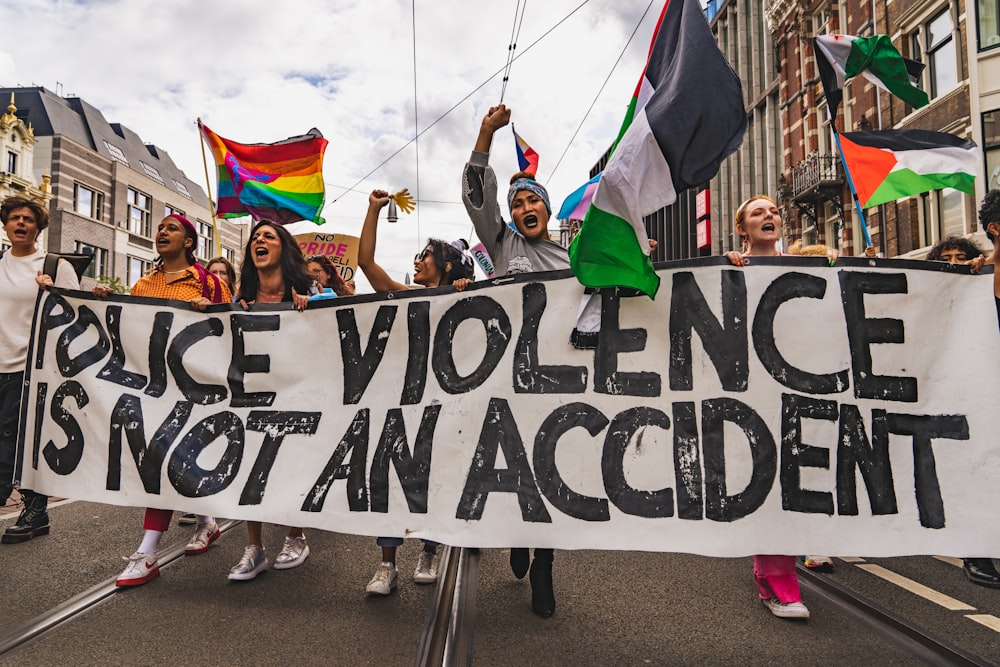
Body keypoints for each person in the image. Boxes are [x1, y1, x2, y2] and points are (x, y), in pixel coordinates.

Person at [461, 104, 569, 618]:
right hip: (505, 379)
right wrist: (486, 133)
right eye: (518, 200)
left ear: (545, 210)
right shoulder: (501, 242)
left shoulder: (573, 259)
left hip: (556, 380)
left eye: (533, 200)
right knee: (513, 465)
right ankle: (517, 537)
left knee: (550, 466)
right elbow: (478, 197)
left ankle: (544, 563)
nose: (525, 205)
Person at [94, 214, 232, 585]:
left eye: (171, 229)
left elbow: (233, 334)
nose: (161, 233)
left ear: (189, 242)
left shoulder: (212, 285)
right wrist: (108, 304)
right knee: (165, 457)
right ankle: (205, 522)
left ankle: (148, 551)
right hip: (156, 389)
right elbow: (129, 330)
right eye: (160, 228)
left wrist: (212, 311)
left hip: (196, 390)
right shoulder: (143, 284)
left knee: (170, 456)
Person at [358, 188, 474, 596]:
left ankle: (429, 550)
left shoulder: (464, 297)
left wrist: (465, 294)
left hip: (444, 406)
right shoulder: (406, 295)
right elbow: (366, 264)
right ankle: (386, 564)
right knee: (390, 480)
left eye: (425, 255)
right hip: (403, 403)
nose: (416, 261)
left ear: (445, 265)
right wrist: (373, 209)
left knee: (436, 479)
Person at [725, 195, 811, 619]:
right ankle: (774, 577)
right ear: (743, 229)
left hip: (797, 389)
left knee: (791, 479)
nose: (770, 216)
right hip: (750, 392)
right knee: (764, 477)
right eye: (758, 213)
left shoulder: (801, 266)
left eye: (774, 210)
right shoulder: (729, 267)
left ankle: (780, 576)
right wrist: (723, 269)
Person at [228, 221, 315, 581]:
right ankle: (255, 547)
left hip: (297, 395)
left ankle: (296, 536)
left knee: (291, 464)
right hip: (253, 395)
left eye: (269, 237)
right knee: (252, 466)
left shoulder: (308, 297)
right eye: (255, 237)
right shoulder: (241, 301)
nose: (259, 241)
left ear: (284, 249)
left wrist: (315, 308)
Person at [0, 196, 80, 544]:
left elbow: (77, 314)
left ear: (38, 227)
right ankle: (37, 512)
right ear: (5, 224)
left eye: (27, 219)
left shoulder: (52, 264)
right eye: (14, 218)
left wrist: (53, 292)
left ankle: (32, 509)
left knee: (13, 438)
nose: (20, 223)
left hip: (29, 367)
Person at [175, 254, 240, 530]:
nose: (217, 276)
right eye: (212, 271)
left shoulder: (239, 304)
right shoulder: (192, 302)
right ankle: (199, 502)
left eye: (223, 272)